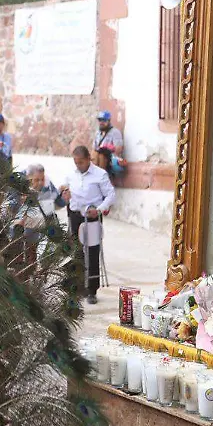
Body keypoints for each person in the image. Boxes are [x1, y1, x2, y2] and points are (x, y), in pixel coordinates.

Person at [61, 146, 116, 303]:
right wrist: (64, 193)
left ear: (88, 159)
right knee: (77, 251)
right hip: (75, 215)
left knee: (92, 252)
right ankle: (78, 286)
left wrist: (99, 210)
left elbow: (111, 195)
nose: (78, 165)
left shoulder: (100, 174)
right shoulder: (71, 174)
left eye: (81, 162)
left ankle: (92, 290)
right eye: (76, 162)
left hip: (92, 216)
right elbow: (64, 188)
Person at [93, 110, 125, 175]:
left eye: (104, 120)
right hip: (98, 157)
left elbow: (119, 149)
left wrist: (108, 150)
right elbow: (94, 148)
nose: (101, 122)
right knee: (94, 154)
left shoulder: (115, 132)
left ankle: (101, 176)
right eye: (100, 120)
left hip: (111, 159)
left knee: (102, 156)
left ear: (109, 121)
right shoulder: (98, 133)